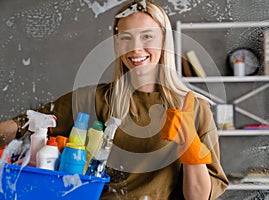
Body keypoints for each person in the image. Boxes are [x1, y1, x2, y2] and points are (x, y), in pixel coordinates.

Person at [0, 0, 228, 199]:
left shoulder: (195, 108)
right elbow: (23, 124)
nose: (135, 48)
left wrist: (190, 147)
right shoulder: (93, 99)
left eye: (147, 36)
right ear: (117, 43)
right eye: (125, 38)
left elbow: (198, 197)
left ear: (164, 40)